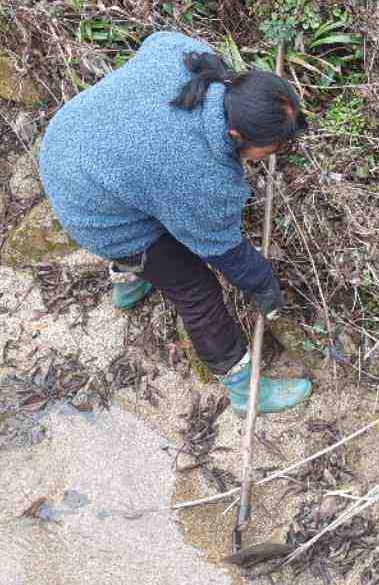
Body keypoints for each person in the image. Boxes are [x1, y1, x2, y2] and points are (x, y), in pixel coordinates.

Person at [38, 31, 313, 415]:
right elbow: (223, 250)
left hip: (71, 142)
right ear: (236, 135)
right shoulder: (196, 173)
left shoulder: (188, 56)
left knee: (142, 196)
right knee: (196, 288)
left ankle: (130, 287)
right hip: (93, 211)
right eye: (268, 150)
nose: (270, 156)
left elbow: (159, 38)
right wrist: (261, 281)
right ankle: (244, 391)